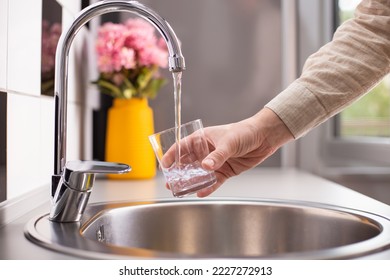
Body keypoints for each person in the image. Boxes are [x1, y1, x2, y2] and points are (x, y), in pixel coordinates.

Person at [195, 0, 390, 197]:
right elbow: (377, 29)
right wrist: (259, 130)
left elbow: (262, 81)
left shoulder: (269, 22)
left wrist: (242, 119)